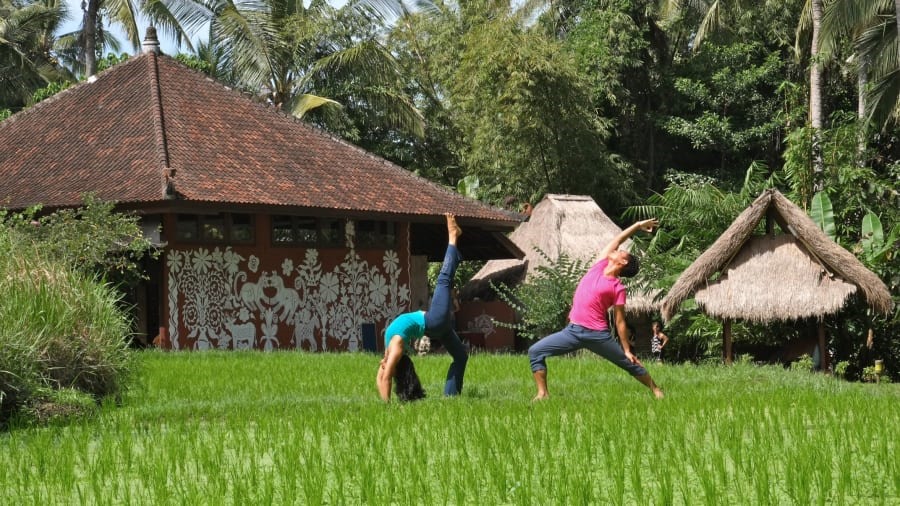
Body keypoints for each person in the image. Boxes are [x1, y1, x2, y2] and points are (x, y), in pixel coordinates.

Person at [528, 218, 664, 400]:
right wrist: (637, 226)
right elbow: (617, 240)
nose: (615, 250)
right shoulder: (598, 267)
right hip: (573, 331)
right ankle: (543, 393)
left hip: (598, 335)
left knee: (628, 363)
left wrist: (626, 349)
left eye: (620, 252)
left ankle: (655, 390)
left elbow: (620, 320)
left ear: (623, 262)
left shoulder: (618, 287)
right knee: (535, 352)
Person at [377, 213, 468, 402]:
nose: (382, 365)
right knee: (443, 280)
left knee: (461, 357)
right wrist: (386, 408)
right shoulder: (396, 347)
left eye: (384, 364)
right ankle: (452, 236)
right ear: (395, 364)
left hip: (438, 329)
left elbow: (381, 378)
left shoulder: (388, 353)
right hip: (433, 322)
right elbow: (385, 378)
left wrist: (385, 369)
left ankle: (451, 398)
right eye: (388, 365)